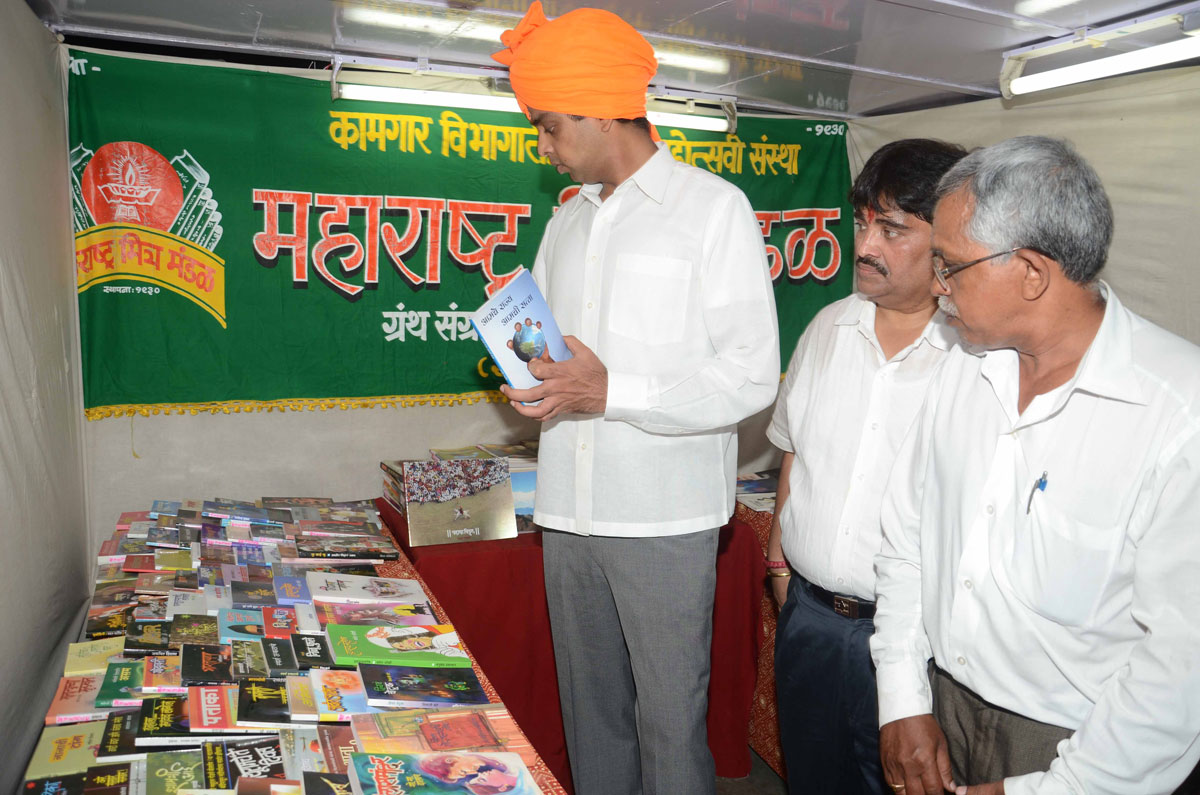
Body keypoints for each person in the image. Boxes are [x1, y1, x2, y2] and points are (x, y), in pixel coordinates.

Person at [490, 4, 780, 793]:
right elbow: (557, 361)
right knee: (593, 717)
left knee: (667, 725)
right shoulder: (567, 224)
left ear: (600, 111)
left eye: (549, 127)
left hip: (662, 517)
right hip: (568, 512)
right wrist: (533, 377)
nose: (542, 146)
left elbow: (752, 374)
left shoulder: (712, 211)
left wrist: (613, 391)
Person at [871, 135, 1200, 795]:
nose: (937, 288)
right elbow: (906, 538)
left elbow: (1180, 663)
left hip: (1085, 745)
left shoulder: (1175, 414)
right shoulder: (960, 367)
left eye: (950, 265)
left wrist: (1059, 786)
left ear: (1030, 271)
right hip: (943, 703)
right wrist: (903, 695)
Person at [765, 138, 965, 795]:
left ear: (950, 240)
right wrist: (779, 576)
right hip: (812, 624)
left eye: (892, 228)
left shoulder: (975, 359)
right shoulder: (828, 327)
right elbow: (793, 453)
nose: (865, 245)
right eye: (861, 222)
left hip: (918, 649)